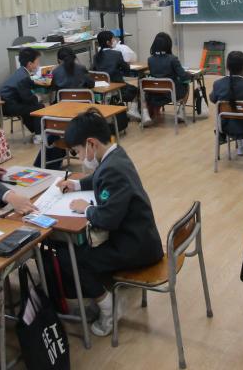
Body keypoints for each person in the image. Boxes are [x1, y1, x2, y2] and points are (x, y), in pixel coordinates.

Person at [55, 110, 163, 337]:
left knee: (71, 256)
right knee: (73, 249)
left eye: (78, 151)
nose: (79, 157)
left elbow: (107, 219)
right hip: (139, 237)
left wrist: (87, 209)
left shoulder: (112, 170)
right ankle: (98, 296)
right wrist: (77, 185)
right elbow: (98, 178)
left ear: (91, 144)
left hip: (135, 247)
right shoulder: (115, 155)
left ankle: (109, 307)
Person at [0, 47, 65, 169]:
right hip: (9, 106)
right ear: (30, 64)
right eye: (37, 62)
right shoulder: (23, 77)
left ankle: (36, 131)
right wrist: (37, 98)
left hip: (9, 103)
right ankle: (38, 135)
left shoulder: (21, 72)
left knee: (33, 107)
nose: (38, 64)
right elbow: (27, 97)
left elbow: (30, 84)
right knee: (38, 107)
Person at [92, 30, 140, 122]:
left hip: (101, 89)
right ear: (108, 42)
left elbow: (93, 71)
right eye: (113, 39)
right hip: (118, 87)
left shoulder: (96, 56)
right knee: (137, 89)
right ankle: (133, 110)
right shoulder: (116, 54)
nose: (115, 41)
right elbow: (127, 70)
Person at [145, 32, 190, 126]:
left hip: (154, 93)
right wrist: (188, 75)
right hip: (170, 93)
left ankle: (148, 114)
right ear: (168, 45)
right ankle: (181, 112)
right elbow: (183, 76)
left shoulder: (150, 59)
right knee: (186, 85)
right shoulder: (173, 59)